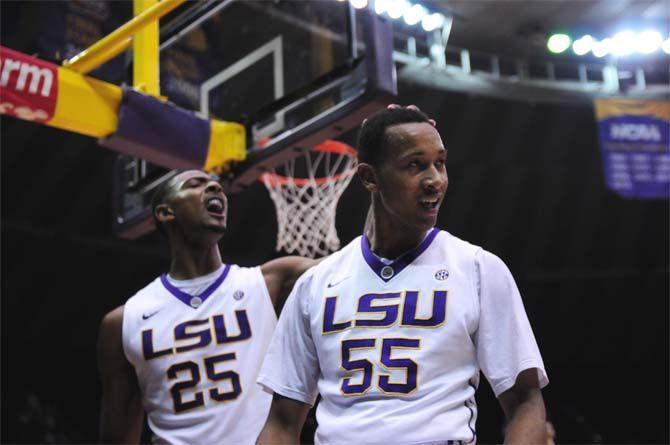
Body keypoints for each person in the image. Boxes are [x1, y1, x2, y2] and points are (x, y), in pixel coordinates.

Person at [257, 107, 549, 444]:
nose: (435, 179)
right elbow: (281, 421)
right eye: (415, 165)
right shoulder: (315, 284)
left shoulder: (479, 269)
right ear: (369, 177)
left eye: (440, 163)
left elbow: (525, 401)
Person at [97, 170, 318, 444]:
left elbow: (350, 265)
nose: (214, 186)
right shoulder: (123, 322)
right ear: (166, 212)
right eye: (195, 184)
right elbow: (116, 437)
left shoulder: (273, 281)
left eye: (216, 185)